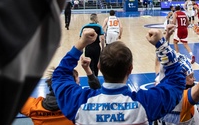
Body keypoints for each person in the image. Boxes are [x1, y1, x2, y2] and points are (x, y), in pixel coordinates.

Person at [52, 27, 188, 124]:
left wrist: (81, 44)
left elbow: (59, 76)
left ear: (99, 66)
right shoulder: (146, 104)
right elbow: (176, 80)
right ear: (130, 69)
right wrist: (162, 45)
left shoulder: (78, 103)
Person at [21, 57, 101, 124]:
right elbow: (98, 94)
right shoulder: (77, 104)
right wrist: (87, 70)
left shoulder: (32, 107)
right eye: (77, 83)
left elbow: (14, 98)